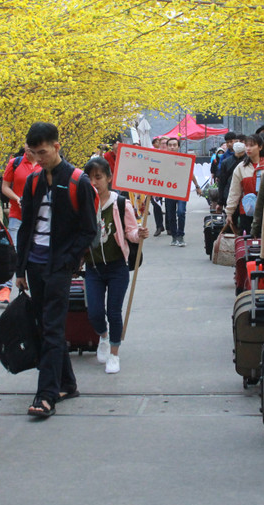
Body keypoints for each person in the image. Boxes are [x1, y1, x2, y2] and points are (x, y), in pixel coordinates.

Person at [15, 122, 98, 418]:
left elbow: (89, 229)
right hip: (35, 265)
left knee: (51, 328)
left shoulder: (78, 181)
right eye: (34, 154)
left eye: (43, 152)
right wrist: (20, 268)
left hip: (59, 267)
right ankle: (67, 383)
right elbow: (26, 226)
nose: (38, 159)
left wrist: (69, 259)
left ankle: (46, 394)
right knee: (45, 326)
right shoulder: (34, 181)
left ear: (57, 147)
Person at [82, 157, 149, 374]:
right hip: (92, 268)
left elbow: (130, 232)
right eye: (90, 178)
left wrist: (138, 234)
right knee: (94, 311)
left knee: (113, 311)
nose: (95, 182)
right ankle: (102, 336)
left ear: (109, 178)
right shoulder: (84, 205)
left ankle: (114, 354)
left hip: (117, 267)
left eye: (99, 177)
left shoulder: (121, 204)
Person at [0, 146, 41, 304]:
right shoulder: (15, 163)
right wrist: (17, 199)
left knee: (35, 255)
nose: (30, 152)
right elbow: (5, 187)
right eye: (28, 149)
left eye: (33, 149)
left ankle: (30, 288)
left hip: (39, 218)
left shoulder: (44, 164)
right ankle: (5, 287)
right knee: (15, 251)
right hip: (18, 215)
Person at [225, 134, 264, 235]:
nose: (248, 148)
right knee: (248, 242)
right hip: (246, 211)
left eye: (252, 145)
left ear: (260, 147)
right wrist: (229, 212)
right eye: (246, 145)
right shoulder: (241, 167)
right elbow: (234, 191)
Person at [164, 136, 190, 246]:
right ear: (167, 147)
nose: (172, 147)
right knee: (171, 215)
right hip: (169, 190)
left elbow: (190, 173)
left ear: (178, 147)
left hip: (181, 189)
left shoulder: (185, 159)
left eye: (174, 145)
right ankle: (174, 236)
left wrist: (197, 186)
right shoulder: (163, 160)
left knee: (181, 212)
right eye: (170, 145)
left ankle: (181, 235)